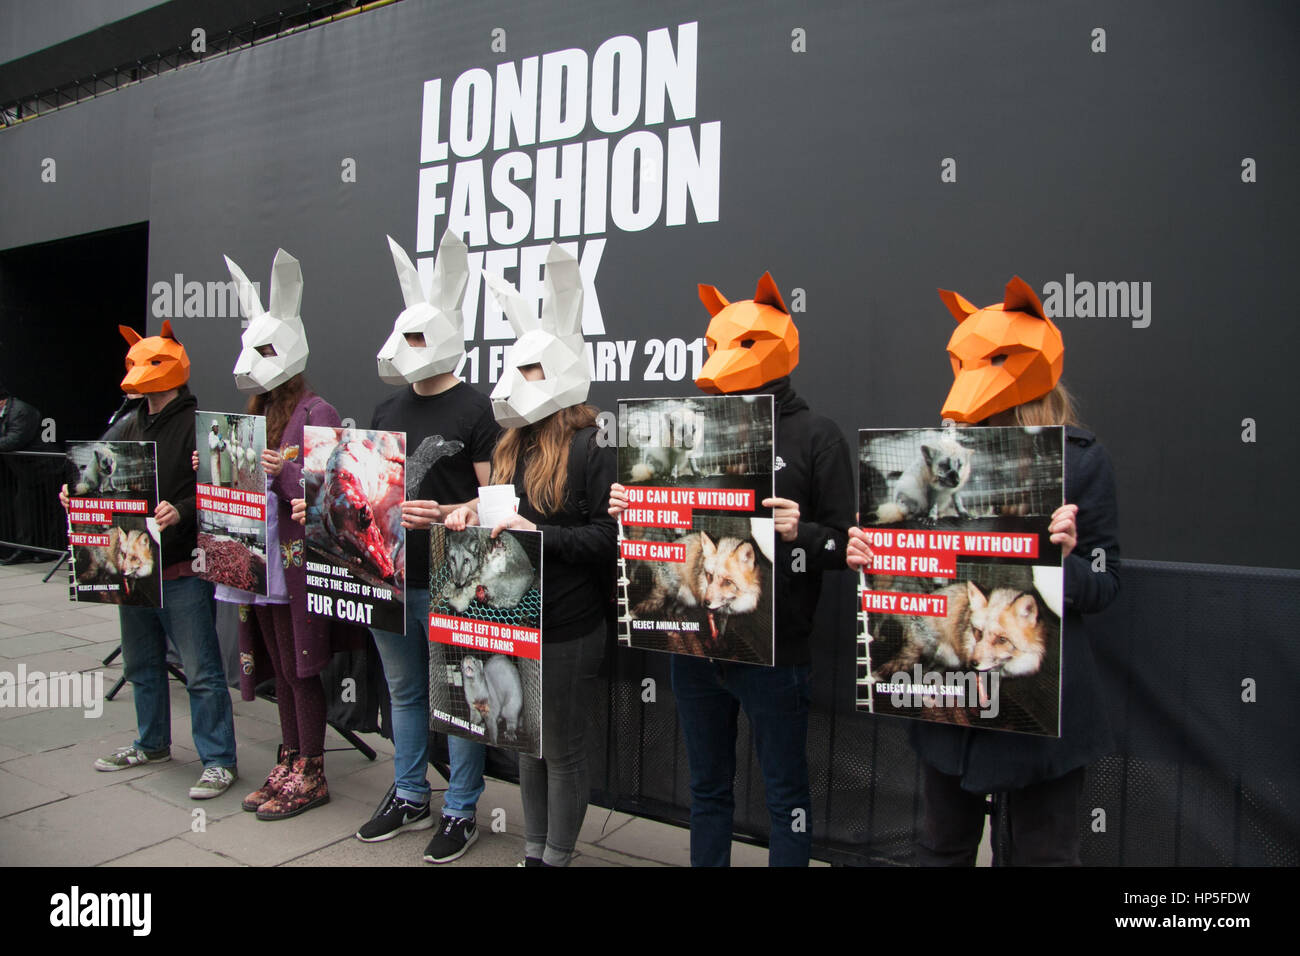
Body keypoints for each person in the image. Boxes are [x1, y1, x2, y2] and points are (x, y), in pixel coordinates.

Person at [846, 276, 1121, 866]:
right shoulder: (936, 457)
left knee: (1041, 854)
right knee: (942, 846)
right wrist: (874, 558)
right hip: (953, 700)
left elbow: (1106, 586)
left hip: (1037, 708)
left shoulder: (1081, 461)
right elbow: (915, 573)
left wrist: (1062, 565)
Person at [609, 272, 854, 866]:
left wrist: (806, 532)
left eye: (739, 345)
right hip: (697, 646)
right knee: (706, 789)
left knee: (785, 795)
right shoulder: (687, 431)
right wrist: (632, 512)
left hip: (777, 653)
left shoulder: (817, 436)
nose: (718, 362)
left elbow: (852, 546)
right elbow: (670, 526)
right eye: (714, 344)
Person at [445, 245, 616, 867]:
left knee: (563, 748)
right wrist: (469, 513)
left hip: (570, 624)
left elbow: (608, 539)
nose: (518, 386)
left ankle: (558, 858)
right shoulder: (511, 443)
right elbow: (498, 516)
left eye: (535, 371)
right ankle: (534, 850)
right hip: (514, 619)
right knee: (524, 742)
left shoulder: (594, 446)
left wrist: (541, 536)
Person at [354, 232, 498, 861]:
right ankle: (410, 794)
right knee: (405, 692)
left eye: (416, 336)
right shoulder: (385, 409)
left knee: (461, 697)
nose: (401, 350)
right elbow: (364, 487)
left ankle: (463, 808)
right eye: (402, 334)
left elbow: (496, 503)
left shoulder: (480, 410)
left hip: (454, 580)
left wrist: (451, 511)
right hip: (390, 577)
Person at [61, 322, 238, 798]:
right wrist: (76, 496)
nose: (139, 372)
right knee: (141, 662)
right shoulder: (127, 423)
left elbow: (227, 491)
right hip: (131, 565)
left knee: (201, 670)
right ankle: (152, 742)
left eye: (152, 361)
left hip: (180, 567)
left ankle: (219, 759)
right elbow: (98, 480)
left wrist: (182, 509)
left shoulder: (203, 423)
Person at [220, 247, 361, 820]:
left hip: (297, 563)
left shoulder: (318, 413)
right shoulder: (255, 414)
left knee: (303, 666)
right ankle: (289, 757)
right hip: (260, 563)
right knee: (279, 665)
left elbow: (334, 494)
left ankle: (311, 768)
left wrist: (287, 477)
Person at [0, 383, 45, 563]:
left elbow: (15, 439)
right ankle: (24, 548)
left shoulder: (20, 411)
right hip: (22, 471)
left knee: (37, 511)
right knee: (23, 509)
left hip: (41, 468)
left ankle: (34, 550)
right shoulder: (7, 411)